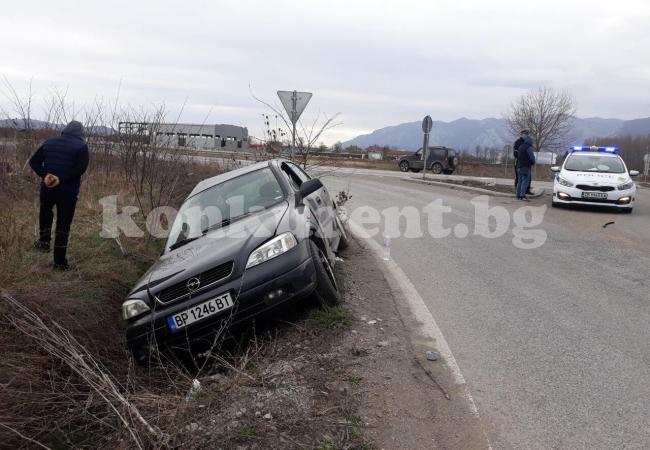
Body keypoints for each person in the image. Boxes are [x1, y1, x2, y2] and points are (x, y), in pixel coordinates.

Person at [29, 121, 89, 270]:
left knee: (45, 213)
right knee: (63, 224)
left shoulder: (49, 141)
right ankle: (59, 262)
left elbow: (34, 162)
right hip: (68, 192)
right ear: (80, 133)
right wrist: (61, 179)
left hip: (47, 188)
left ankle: (43, 244)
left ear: (64, 130)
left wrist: (45, 175)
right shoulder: (81, 146)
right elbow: (80, 169)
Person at [516, 130, 535, 201]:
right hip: (526, 167)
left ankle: (518, 195)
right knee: (525, 181)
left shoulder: (521, 146)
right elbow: (532, 157)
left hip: (519, 166)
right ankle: (522, 196)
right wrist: (532, 163)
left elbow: (518, 156)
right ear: (530, 142)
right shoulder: (529, 148)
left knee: (520, 181)